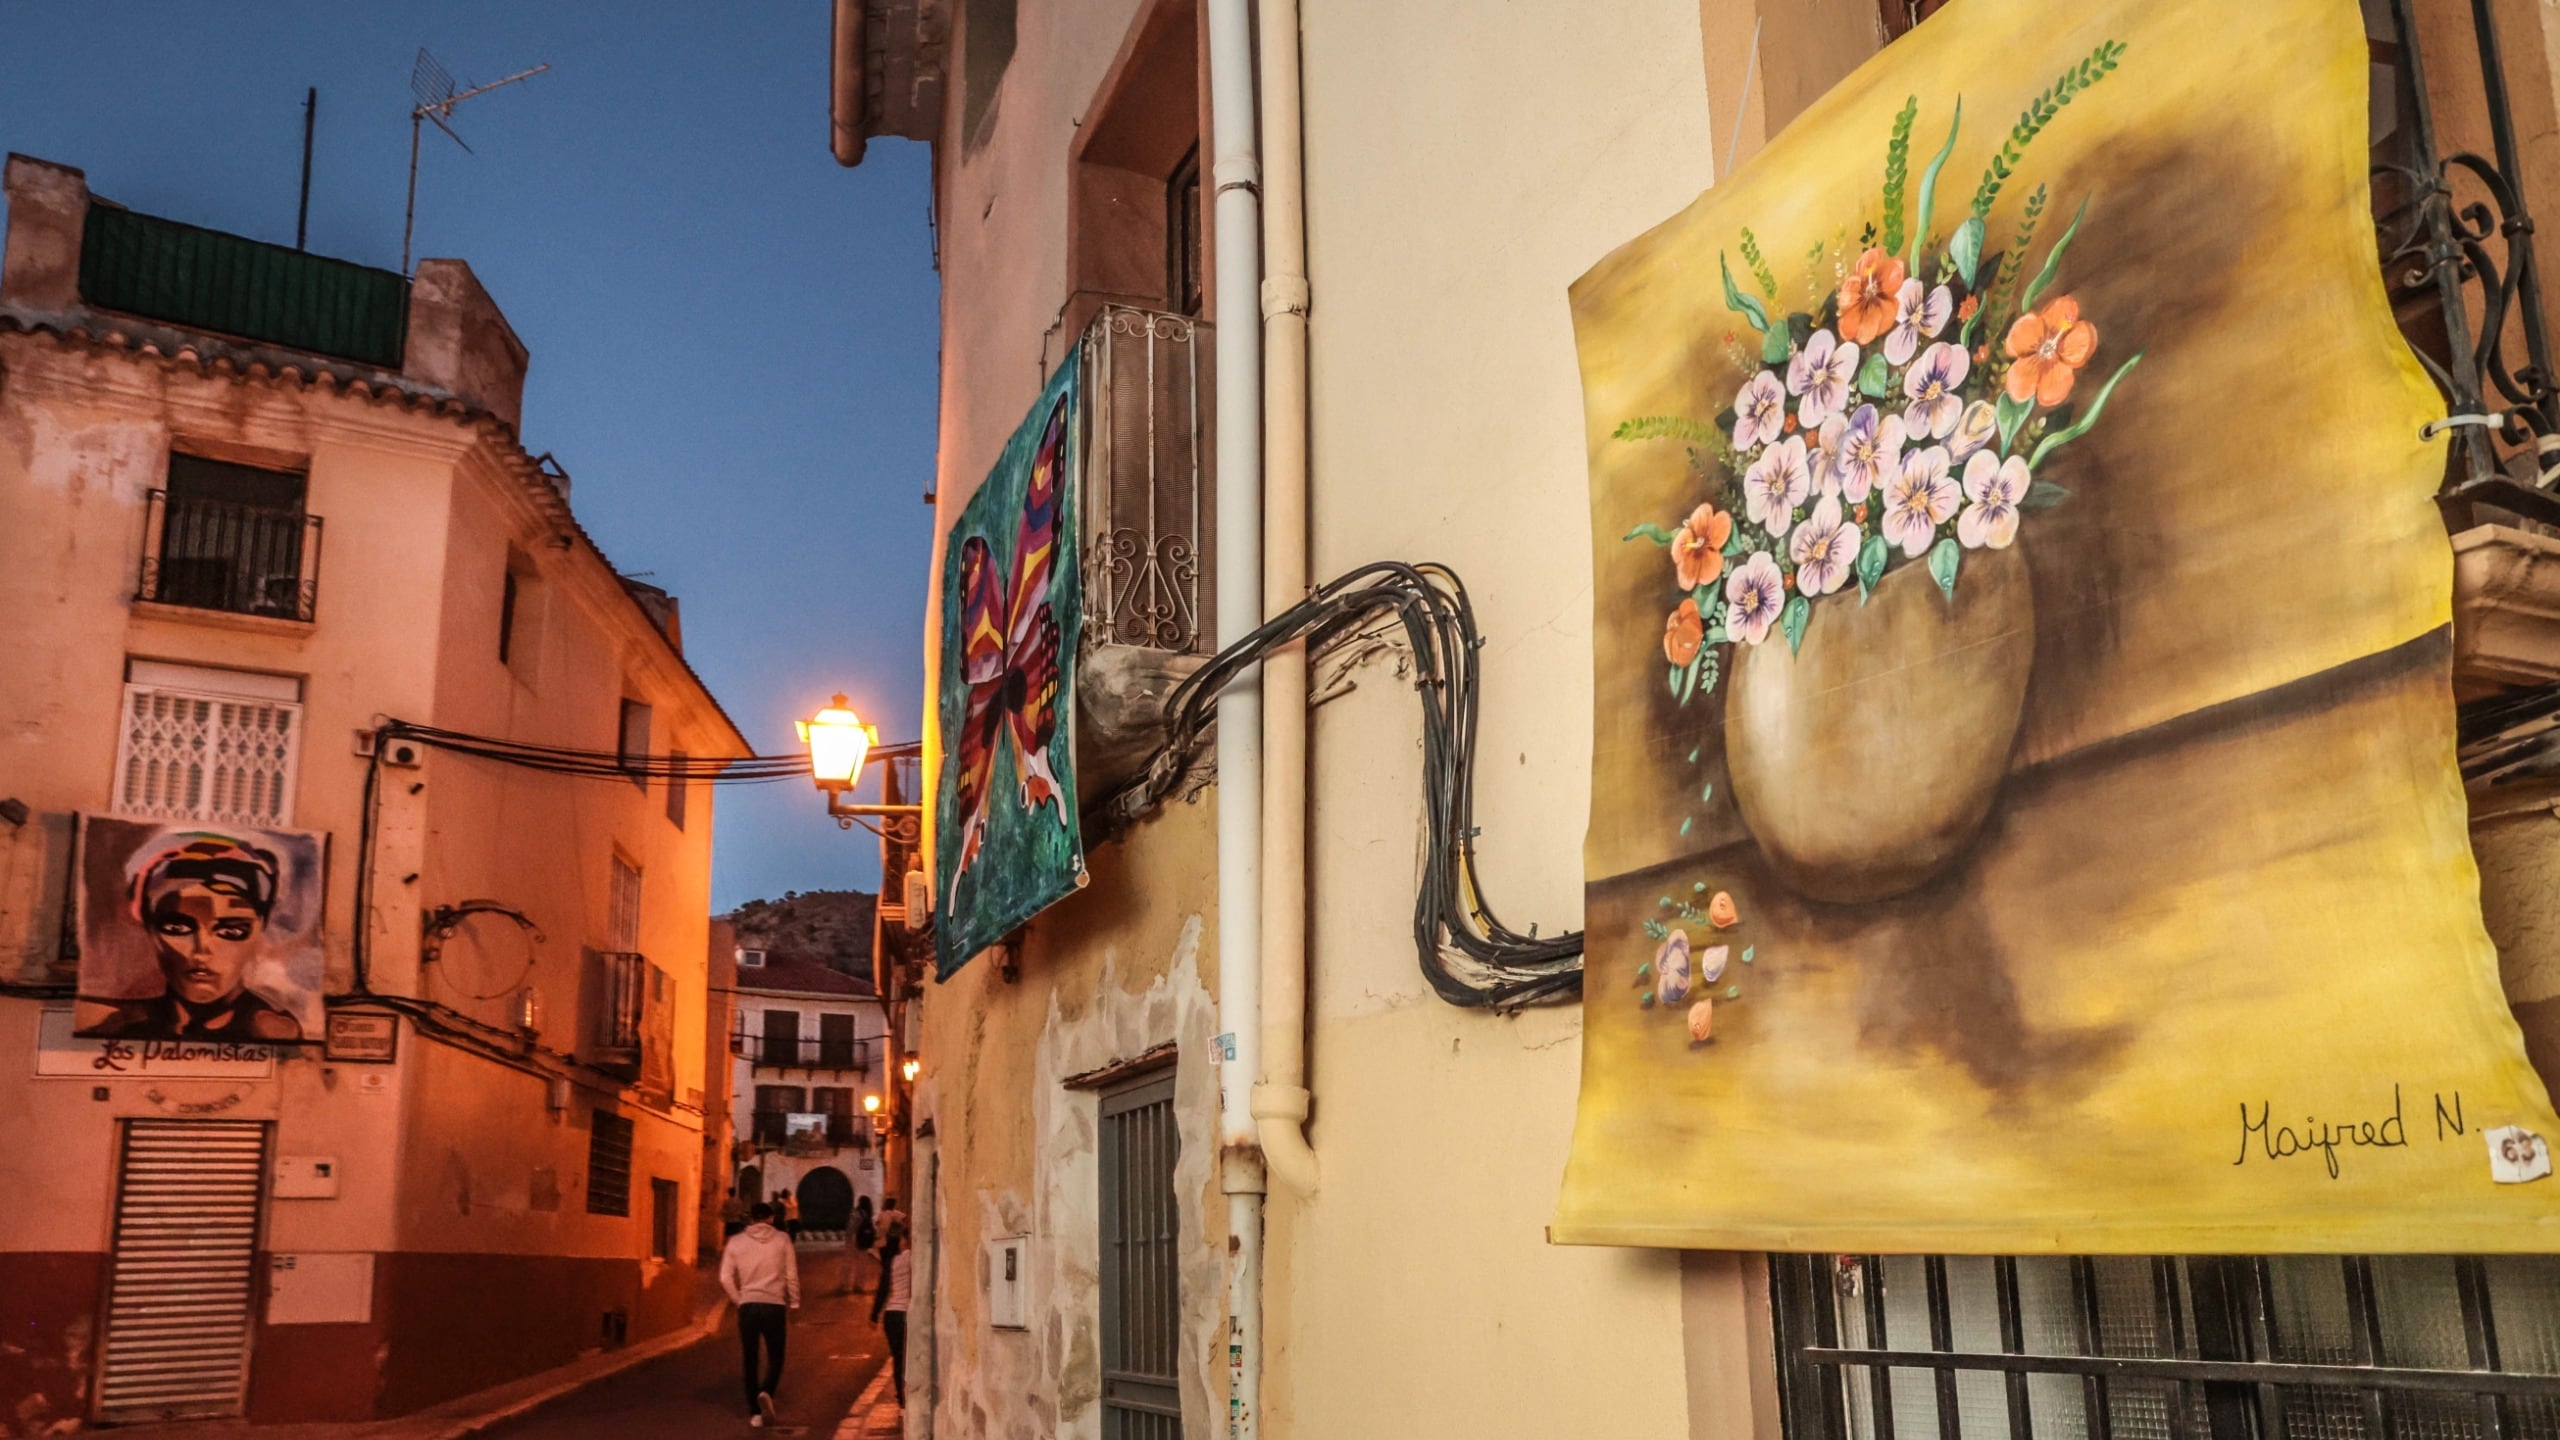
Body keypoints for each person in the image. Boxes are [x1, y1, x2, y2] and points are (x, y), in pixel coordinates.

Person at [89, 835, 302, 1041]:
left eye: (231, 931)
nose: (202, 950)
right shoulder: (121, 1025)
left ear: (259, 931)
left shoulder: (273, 1030)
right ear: (151, 931)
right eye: (177, 927)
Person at [719, 1202, 801, 1426]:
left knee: (750, 1358)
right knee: (776, 1355)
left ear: (750, 1219)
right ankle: (766, 1391)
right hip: (774, 1305)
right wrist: (794, 1303)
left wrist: (739, 1300)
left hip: (748, 1306)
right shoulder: (783, 1239)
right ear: (771, 1218)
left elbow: (725, 1278)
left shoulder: (735, 1242)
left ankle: (755, 1413)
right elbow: (791, 1274)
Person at [871, 1231, 912, 1403]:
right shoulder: (909, 1258)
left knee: (897, 1357)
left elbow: (882, 1291)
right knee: (907, 1356)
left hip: (890, 1315)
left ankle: (900, 1395)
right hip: (904, 1313)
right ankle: (907, 1391)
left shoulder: (890, 1263)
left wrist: (874, 1315)